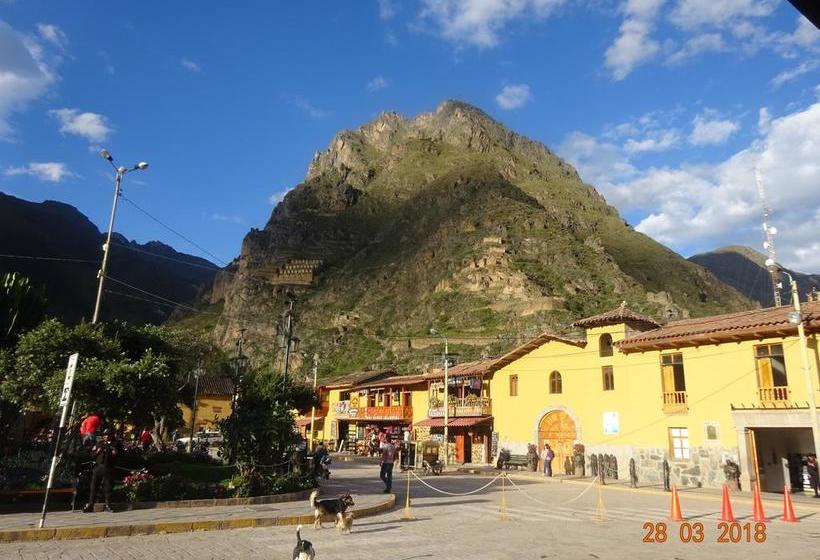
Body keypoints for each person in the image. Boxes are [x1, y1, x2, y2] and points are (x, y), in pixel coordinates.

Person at [83, 428, 122, 513]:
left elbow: (120, 455)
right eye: (105, 435)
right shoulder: (100, 443)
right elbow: (92, 454)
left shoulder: (116, 443)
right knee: (94, 486)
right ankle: (90, 504)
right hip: (98, 467)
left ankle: (108, 504)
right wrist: (97, 451)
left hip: (108, 467)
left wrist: (115, 453)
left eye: (108, 435)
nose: (106, 437)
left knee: (108, 487)